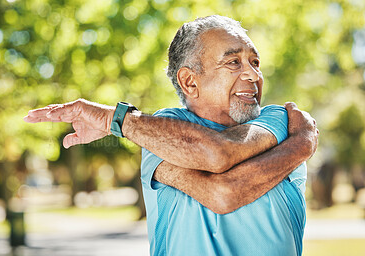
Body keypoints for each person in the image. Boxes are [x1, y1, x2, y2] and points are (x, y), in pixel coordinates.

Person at [24, 15, 318, 256]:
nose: (253, 75)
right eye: (234, 63)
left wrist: (116, 120)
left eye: (255, 62)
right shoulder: (163, 129)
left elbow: (220, 158)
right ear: (190, 82)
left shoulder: (280, 119)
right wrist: (302, 145)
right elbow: (223, 189)